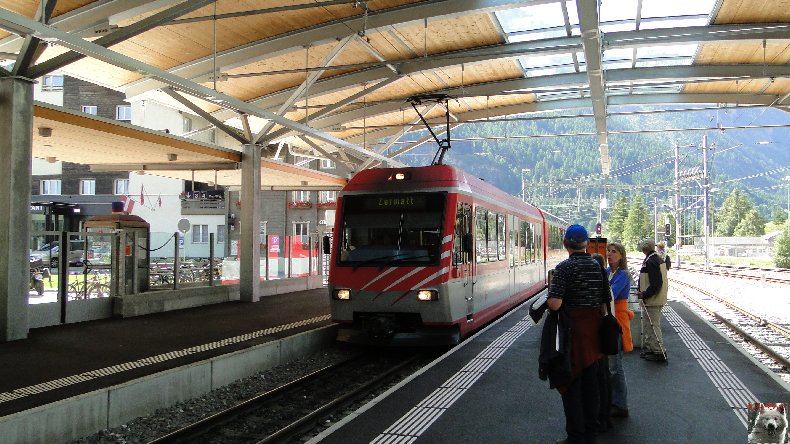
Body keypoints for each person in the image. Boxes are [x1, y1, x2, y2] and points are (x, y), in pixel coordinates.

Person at [547, 224, 611, 444]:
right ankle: (590, 433)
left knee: (572, 384)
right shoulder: (598, 267)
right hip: (594, 332)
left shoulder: (564, 268)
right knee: (592, 386)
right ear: (586, 244)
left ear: (566, 244)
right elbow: (605, 305)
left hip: (572, 333)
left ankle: (575, 436)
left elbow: (555, 304)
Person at [605, 241, 634, 417]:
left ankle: (621, 404)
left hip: (617, 321)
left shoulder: (623, 275)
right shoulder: (608, 272)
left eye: (614, 252)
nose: (609, 254)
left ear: (621, 256)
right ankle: (611, 400)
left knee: (615, 365)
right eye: (608, 251)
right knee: (609, 364)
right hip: (609, 320)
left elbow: (610, 294)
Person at [637, 238, 668, 362]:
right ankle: (650, 348)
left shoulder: (651, 261)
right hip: (654, 299)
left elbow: (656, 283)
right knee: (650, 325)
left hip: (652, 299)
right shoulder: (656, 259)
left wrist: (644, 294)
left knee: (653, 325)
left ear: (644, 249)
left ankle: (658, 351)